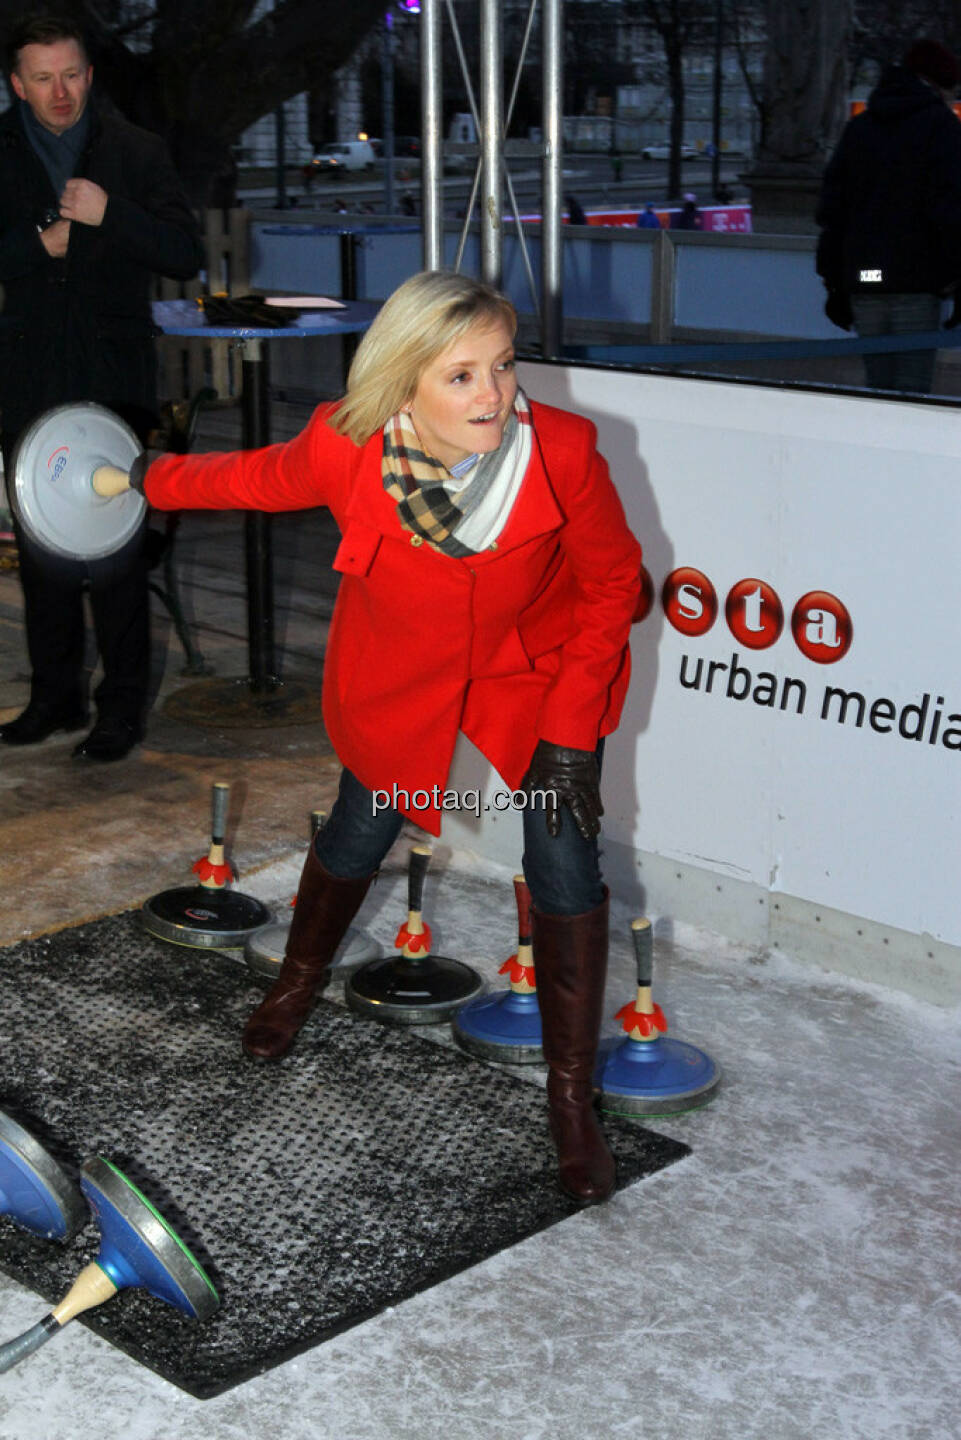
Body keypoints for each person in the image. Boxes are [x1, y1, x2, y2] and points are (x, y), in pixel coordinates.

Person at [116, 270, 642, 1206]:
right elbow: (249, 478)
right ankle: (294, 985)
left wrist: (567, 734)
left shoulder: (561, 453)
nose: (494, 395)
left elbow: (613, 586)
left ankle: (569, 1099)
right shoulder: (347, 449)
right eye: (461, 375)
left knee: (562, 859)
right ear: (403, 384)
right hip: (403, 680)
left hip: (537, 672)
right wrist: (141, 478)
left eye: (503, 367)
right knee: (361, 827)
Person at [0, 14, 203, 759]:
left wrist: (110, 214)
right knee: (43, 547)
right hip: (27, 375)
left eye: (73, 74)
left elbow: (184, 254)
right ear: (18, 84)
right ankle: (54, 699)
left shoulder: (136, 152)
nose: (61, 91)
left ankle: (120, 708)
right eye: (44, 78)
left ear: (90, 73)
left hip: (115, 381)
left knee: (116, 553)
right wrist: (35, 243)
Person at [816, 38, 961, 393]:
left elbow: (834, 213)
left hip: (863, 283)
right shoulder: (942, 128)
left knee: (877, 387)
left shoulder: (860, 128)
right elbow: (951, 213)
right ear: (936, 84)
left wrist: (835, 284)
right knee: (911, 391)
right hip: (916, 282)